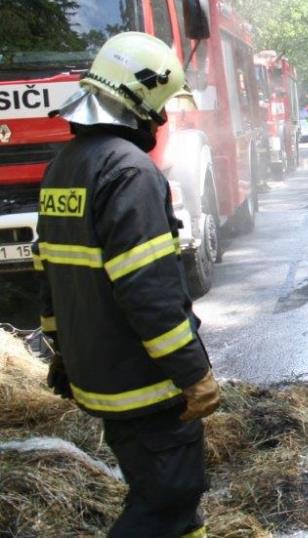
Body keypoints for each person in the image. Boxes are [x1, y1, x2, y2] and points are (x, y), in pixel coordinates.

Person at [35, 32, 220, 538]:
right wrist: (193, 372)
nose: (161, 120)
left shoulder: (63, 169)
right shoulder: (130, 171)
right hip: (145, 384)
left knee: (173, 506)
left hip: (100, 375)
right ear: (137, 98)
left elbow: (50, 276)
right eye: (157, 107)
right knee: (167, 503)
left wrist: (63, 355)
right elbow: (149, 290)